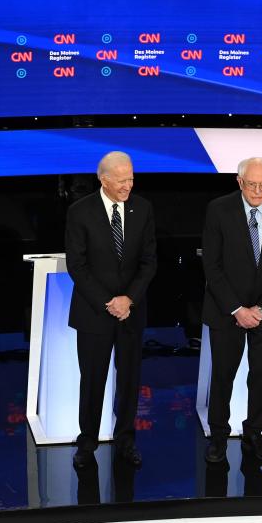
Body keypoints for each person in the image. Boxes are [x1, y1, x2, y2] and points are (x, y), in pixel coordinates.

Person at [201, 157, 262, 466]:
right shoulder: (219, 209)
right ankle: (218, 437)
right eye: (252, 184)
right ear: (239, 182)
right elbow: (212, 266)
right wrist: (236, 309)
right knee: (223, 377)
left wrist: (261, 307)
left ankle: (254, 434)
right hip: (226, 311)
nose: (258, 191)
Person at [65, 151, 157, 469]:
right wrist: (109, 302)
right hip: (94, 313)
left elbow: (149, 262)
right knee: (92, 380)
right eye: (121, 180)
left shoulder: (143, 209)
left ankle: (126, 441)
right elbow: (77, 265)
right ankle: (87, 442)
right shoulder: (80, 212)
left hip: (131, 312)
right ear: (103, 179)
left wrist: (128, 299)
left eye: (131, 178)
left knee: (130, 380)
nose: (127, 185)